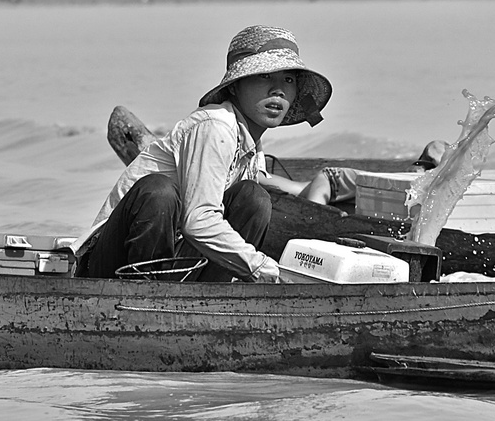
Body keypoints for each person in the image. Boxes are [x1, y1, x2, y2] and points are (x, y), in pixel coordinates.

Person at [76, 24, 332, 282]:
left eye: (288, 80)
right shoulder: (215, 126)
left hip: (176, 260)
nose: (277, 90)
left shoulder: (250, 143)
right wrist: (265, 269)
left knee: (254, 198)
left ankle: (211, 296)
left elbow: (261, 182)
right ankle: (151, 294)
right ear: (234, 87)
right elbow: (198, 220)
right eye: (264, 76)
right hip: (112, 265)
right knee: (159, 191)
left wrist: (316, 187)